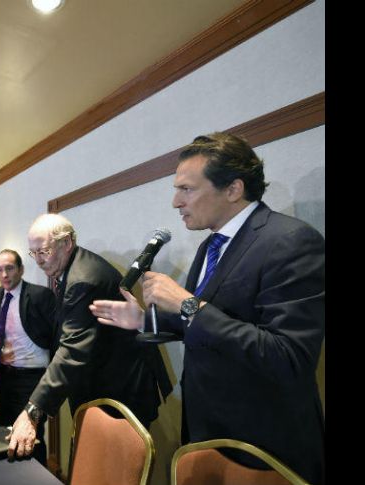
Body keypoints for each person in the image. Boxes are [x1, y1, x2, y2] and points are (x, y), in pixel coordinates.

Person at [89, 132, 325, 484]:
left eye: (186, 189)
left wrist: (187, 304)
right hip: (205, 430)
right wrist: (144, 320)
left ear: (233, 189)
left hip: (262, 447)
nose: (175, 202)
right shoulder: (210, 246)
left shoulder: (291, 241)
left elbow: (288, 356)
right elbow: (205, 322)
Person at [7, 213, 171, 459]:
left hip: (121, 391)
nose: (38, 260)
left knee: (112, 468)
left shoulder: (83, 279)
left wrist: (32, 411)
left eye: (44, 251)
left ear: (67, 243)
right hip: (105, 385)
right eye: (34, 253)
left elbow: (72, 351)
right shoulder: (72, 268)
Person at [0, 249, 57, 466]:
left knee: (31, 437)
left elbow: (56, 336)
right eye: (0, 269)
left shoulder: (40, 295)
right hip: (3, 375)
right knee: (4, 433)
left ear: (21, 269)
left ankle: (38, 477)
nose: (4, 274)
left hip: (32, 378)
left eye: (9, 268)